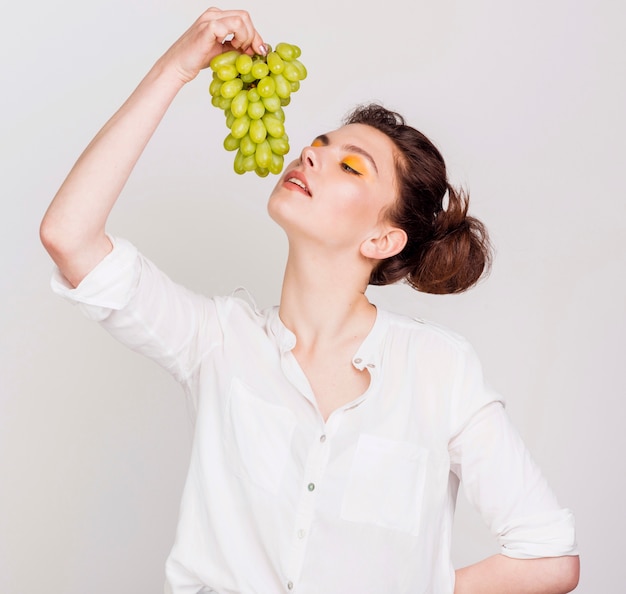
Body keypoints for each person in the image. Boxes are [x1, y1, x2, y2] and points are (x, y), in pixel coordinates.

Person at [40, 7, 580, 594]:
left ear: (382, 239)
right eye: (318, 145)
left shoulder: (438, 370)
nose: (311, 155)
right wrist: (177, 69)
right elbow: (69, 237)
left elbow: (549, 559)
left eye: (350, 165)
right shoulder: (218, 342)